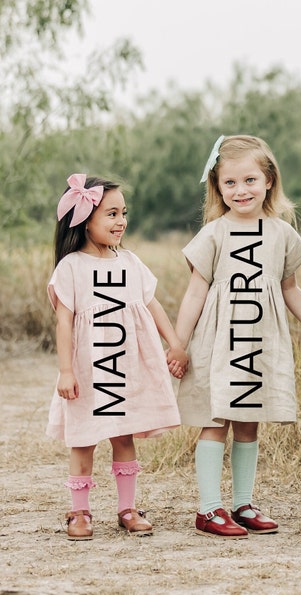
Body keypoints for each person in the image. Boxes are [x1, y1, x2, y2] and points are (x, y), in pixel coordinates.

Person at [173, 135, 301, 538]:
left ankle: (243, 503)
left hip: (258, 341)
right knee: (216, 420)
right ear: (217, 188)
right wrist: (179, 345)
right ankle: (208, 509)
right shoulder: (215, 233)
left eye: (250, 180)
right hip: (219, 341)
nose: (240, 190)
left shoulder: (281, 232)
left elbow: (290, 289)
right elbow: (195, 292)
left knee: (249, 422)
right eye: (229, 183)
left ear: (269, 180)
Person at [47, 173, 186, 540]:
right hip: (88, 368)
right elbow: (64, 322)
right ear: (84, 219)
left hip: (124, 365)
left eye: (123, 212)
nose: (121, 221)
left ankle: (127, 508)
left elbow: (150, 304)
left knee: (124, 436)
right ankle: (79, 512)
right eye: (110, 214)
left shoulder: (129, 261)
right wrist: (65, 371)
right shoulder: (71, 267)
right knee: (84, 438)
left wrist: (174, 342)